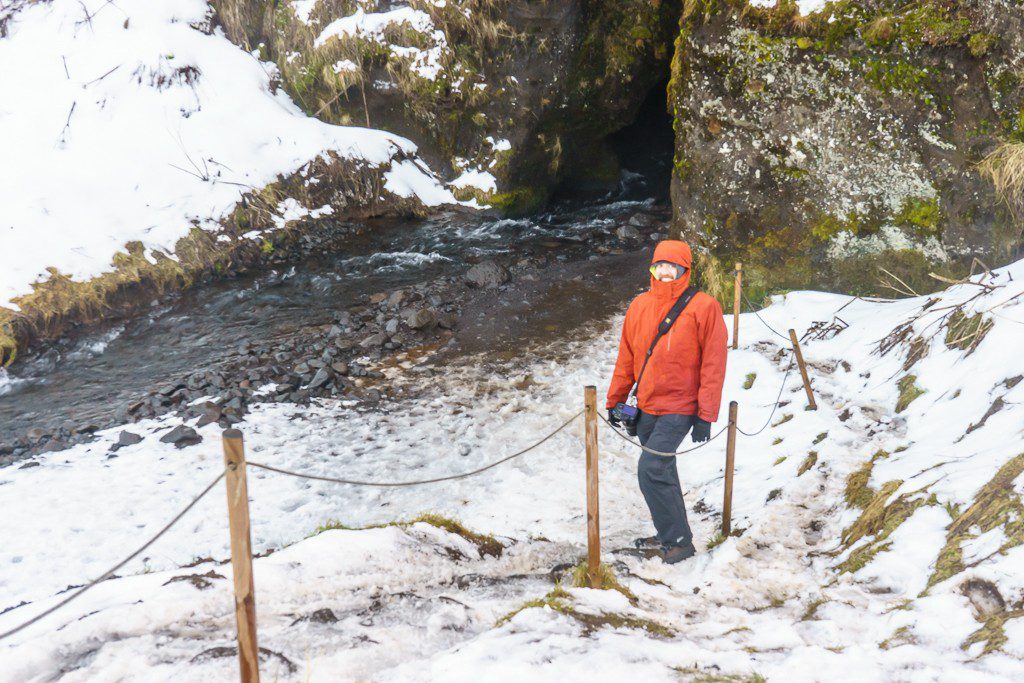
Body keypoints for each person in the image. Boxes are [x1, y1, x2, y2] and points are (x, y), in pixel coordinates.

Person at [606, 239, 728, 564]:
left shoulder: (704, 307)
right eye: (660, 265)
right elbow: (626, 357)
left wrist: (705, 415)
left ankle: (679, 543)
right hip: (646, 405)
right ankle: (670, 534)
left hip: (680, 406)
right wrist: (615, 398)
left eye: (671, 267)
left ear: (684, 270)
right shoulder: (639, 306)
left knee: (651, 468)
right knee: (663, 471)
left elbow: (713, 364)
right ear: (652, 269)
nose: (664, 272)